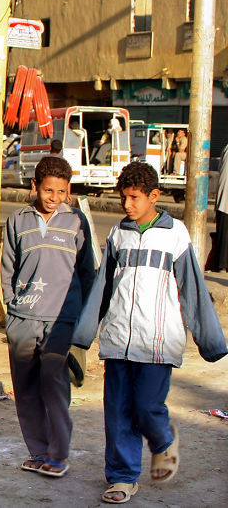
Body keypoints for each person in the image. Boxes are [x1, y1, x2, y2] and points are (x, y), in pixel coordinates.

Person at [72, 162, 227, 504]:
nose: (126, 205)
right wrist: (83, 335)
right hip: (118, 341)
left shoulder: (175, 234)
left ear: (153, 195)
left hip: (158, 343)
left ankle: (162, 439)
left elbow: (193, 291)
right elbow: (102, 289)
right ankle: (123, 477)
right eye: (123, 197)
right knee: (117, 412)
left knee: (146, 407)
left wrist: (210, 341)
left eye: (134, 197)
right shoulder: (118, 234)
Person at [1, 156, 97, 479]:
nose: (54, 197)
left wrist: (83, 317)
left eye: (61, 191)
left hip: (61, 320)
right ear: (35, 186)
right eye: (48, 190)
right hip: (23, 318)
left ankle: (57, 455)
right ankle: (38, 452)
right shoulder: (17, 220)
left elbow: (87, 272)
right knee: (26, 388)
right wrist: (11, 306)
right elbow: (7, 267)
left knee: (54, 386)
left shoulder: (77, 222)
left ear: (68, 190)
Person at [210, 143, 228, 271]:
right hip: (225, 200)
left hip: (223, 200)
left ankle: (221, 263)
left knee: (223, 235)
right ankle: (222, 264)